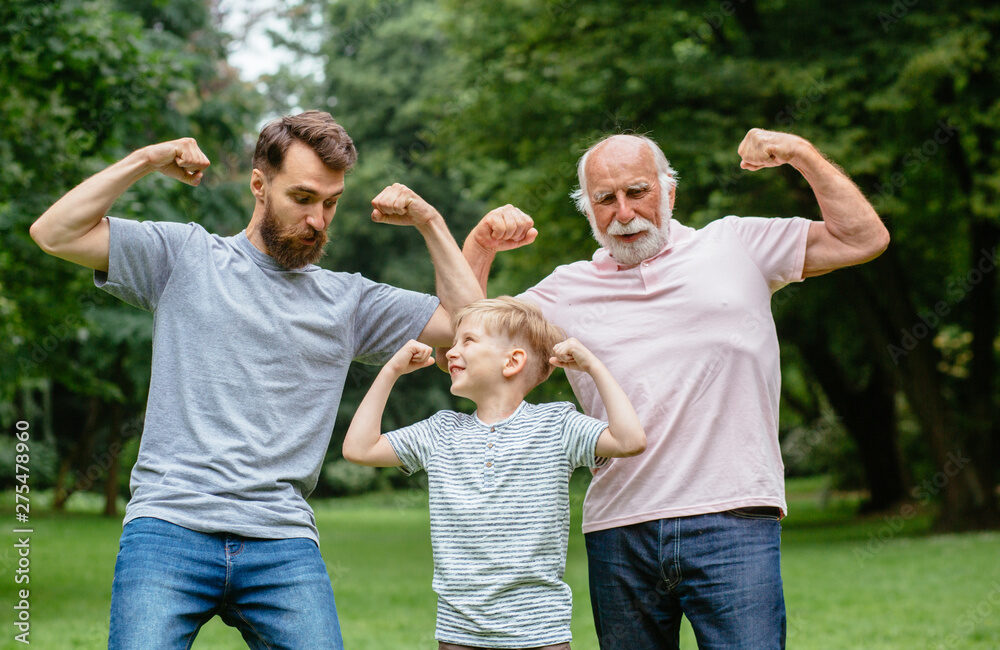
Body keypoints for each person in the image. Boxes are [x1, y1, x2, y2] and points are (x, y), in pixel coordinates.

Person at [28, 110, 483, 649]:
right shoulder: (184, 257)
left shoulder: (349, 300)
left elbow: (472, 327)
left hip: (282, 540)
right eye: (303, 198)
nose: (318, 219)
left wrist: (429, 220)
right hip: (169, 526)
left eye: (331, 203)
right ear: (258, 185)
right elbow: (54, 232)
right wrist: (148, 159)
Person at [460, 129, 890, 648]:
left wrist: (800, 155)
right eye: (605, 199)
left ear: (669, 192)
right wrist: (479, 250)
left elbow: (862, 238)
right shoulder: (563, 291)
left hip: (734, 518)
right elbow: (464, 343)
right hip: (620, 529)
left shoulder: (737, 244)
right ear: (589, 210)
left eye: (637, 191)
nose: (623, 212)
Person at [342, 297, 646, 649]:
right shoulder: (441, 431)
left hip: (539, 630)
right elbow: (359, 449)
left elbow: (629, 439)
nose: (451, 352)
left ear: (512, 361)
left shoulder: (555, 425)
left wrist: (593, 366)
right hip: (459, 631)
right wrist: (389, 371)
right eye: (453, 342)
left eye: (467, 341)